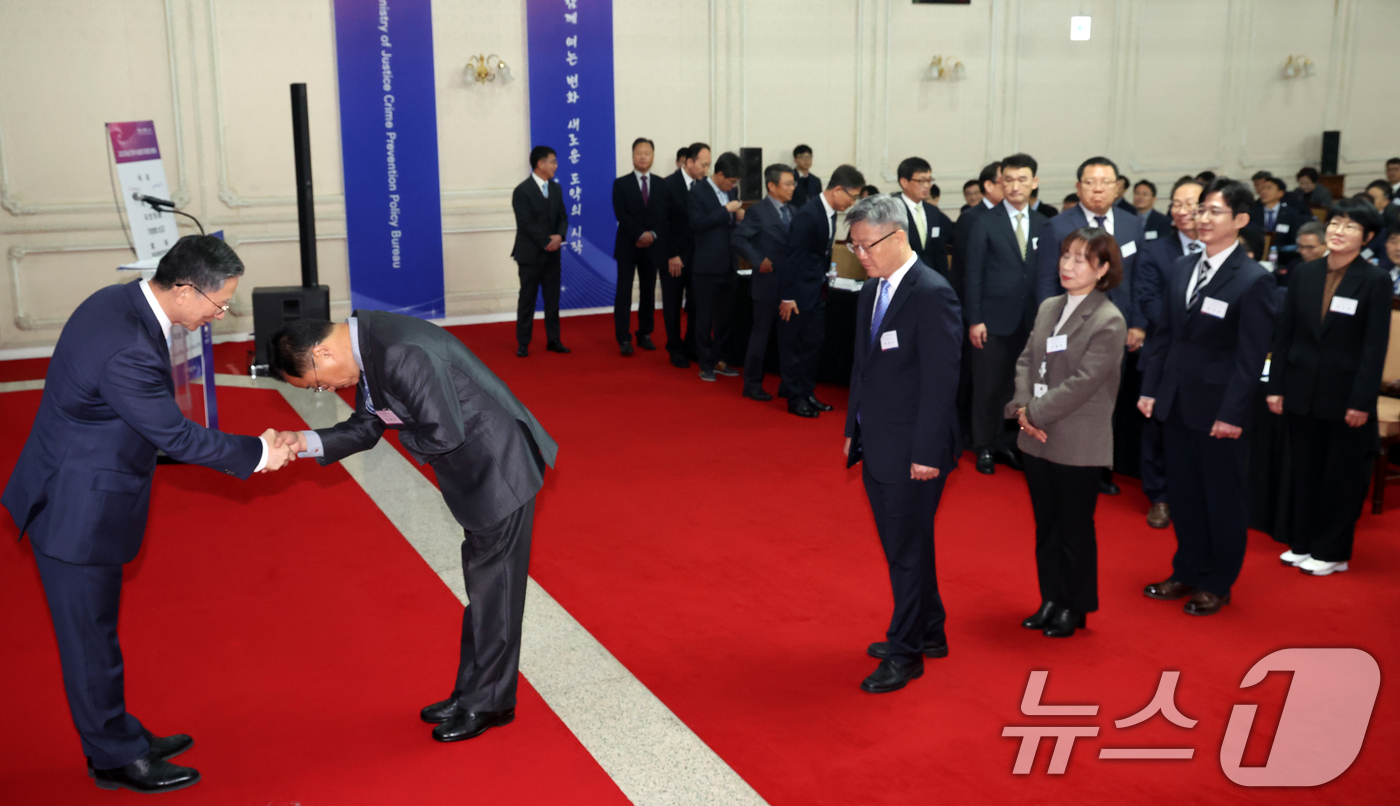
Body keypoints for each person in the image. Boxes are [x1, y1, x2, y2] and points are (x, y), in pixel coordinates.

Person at [1, 235, 294, 794]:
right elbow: (175, 436)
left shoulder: (120, 302)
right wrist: (259, 452)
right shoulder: (127, 345)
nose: (219, 315)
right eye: (219, 304)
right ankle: (115, 758)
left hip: (72, 485)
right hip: (74, 511)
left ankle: (116, 733)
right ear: (185, 289)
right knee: (90, 643)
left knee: (97, 635)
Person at [268, 312, 557, 744]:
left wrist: (392, 423)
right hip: (479, 469)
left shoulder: (397, 352)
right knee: (486, 588)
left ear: (322, 352)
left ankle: (491, 703)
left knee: (495, 589)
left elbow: (444, 433)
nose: (326, 390)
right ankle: (471, 693)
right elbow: (366, 426)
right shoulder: (369, 344)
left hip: (499, 468)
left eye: (317, 383)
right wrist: (304, 442)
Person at [1138, 177, 1278, 617]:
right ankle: (1187, 569)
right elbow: (1165, 336)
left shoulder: (1253, 280)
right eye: (1201, 210)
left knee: (1222, 498)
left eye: (1214, 212)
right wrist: (1151, 390)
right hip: (1177, 401)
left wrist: (1233, 412)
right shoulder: (1184, 267)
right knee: (1184, 494)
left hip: (1221, 409)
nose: (1202, 219)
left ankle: (1217, 582)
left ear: (1239, 220)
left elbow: (1251, 356)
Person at [841, 195, 962, 693]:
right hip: (880, 440)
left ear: (897, 237)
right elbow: (861, 367)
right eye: (853, 246)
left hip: (915, 450)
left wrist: (926, 454)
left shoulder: (932, 293)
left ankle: (906, 651)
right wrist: (853, 428)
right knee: (906, 544)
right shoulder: (874, 289)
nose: (860, 255)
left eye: (866, 245)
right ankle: (930, 630)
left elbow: (942, 381)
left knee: (906, 552)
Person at [1007, 228, 1127, 638]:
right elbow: (1026, 359)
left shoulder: (1108, 320)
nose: (1068, 265)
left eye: (1081, 259)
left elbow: (1084, 382)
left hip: (1077, 439)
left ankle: (1076, 607)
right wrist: (1023, 408)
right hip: (1036, 434)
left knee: (1075, 528)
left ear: (1103, 269)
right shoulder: (1048, 307)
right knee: (1047, 525)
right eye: (1066, 256)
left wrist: (1034, 412)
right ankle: (1051, 598)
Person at [1267, 197, 1392, 576]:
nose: (1339, 231)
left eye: (1350, 227)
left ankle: (1333, 550)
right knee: (1304, 470)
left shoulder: (1374, 281)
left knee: (1339, 476)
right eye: (1335, 223)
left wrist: (1362, 401)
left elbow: (1375, 348)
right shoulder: (1304, 273)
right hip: (1301, 389)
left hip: (1345, 395)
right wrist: (1277, 386)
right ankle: (1303, 542)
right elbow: (1284, 335)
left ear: (1367, 237)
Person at [1036, 157, 1147, 495]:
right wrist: (1051, 330)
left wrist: (1138, 324)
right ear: (1078, 186)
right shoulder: (1057, 226)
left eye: (1105, 182)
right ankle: (1059, 457)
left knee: (1106, 397)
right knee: (1069, 394)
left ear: (1117, 187)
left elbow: (1140, 281)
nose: (1098, 188)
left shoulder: (1132, 225)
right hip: (1071, 330)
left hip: (1117, 329)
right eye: (1090, 182)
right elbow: (1045, 284)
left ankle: (1099, 467)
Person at [964, 153, 1046, 475]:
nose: (1014, 186)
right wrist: (975, 319)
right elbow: (973, 274)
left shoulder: (1044, 224)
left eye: (1021, 179)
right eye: (1008, 180)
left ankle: (1007, 443)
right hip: (992, 321)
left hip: (1031, 321)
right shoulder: (984, 221)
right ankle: (983, 445)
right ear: (1000, 183)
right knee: (988, 386)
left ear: (1034, 183)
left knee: (1019, 387)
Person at [1133, 177, 1205, 529]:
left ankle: (1192, 494)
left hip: (1207, 360)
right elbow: (1148, 301)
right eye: (1176, 204)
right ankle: (1159, 496)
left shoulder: (1220, 252)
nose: (1181, 211)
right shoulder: (1156, 251)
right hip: (1164, 351)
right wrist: (1189, 325)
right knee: (1157, 430)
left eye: (1190, 204)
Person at [777, 164, 865, 418]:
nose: (853, 202)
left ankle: (807, 392)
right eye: (852, 196)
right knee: (796, 346)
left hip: (816, 290)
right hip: (797, 294)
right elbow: (791, 258)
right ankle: (795, 397)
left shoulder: (830, 213)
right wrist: (787, 296)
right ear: (838, 190)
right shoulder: (808, 214)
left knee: (814, 342)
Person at [733, 164, 796, 401]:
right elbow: (739, 239)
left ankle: (787, 384)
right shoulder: (758, 211)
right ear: (772, 185)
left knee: (787, 337)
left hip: (789, 284)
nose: (792, 188)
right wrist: (759, 260)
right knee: (760, 335)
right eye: (788, 183)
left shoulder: (793, 210)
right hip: (767, 283)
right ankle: (752, 384)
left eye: (793, 183)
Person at [690, 151, 746, 382]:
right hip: (706, 265)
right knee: (704, 317)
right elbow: (697, 224)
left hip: (729, 263)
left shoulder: (731, 192)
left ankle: (719, 357)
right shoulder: (698, 191)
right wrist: (726, 211)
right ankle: (705, 363)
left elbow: (729, 224)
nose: (733, 186)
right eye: (731, 181)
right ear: (720, 174)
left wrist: (738, 216)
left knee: (726, 316)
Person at [511, 145, 569, 357]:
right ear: (540, 163)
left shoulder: (556, 189)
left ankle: (554, 340)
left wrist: (560, 237)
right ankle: (523, 342)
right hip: (530, 254)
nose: (556, 165)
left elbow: (563, 217)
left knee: (552, 299)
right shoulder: (522, 191)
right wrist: (546, 241)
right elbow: (525, 224)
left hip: (553, 255)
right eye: (552, 161)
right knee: (527, 299)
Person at [612, 138, 666, 355]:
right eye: (639, 153)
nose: (643, 156)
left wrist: (651, 235)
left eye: (647, 153)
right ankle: (623, 338)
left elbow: (664, 214)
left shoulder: (662, 184)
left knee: (648, 291)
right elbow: (621, 214)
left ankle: (645, 333)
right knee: (624, 292)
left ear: (653, 156)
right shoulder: (620, 183)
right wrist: (639, 234)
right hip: (627, 245)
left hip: (652, 246)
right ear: (632, 155)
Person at [661, 143, 707, 367]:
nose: (706, 169)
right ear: (689, 162)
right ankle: (674, 346)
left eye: (709, 164)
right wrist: (672, 254)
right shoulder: (668, 184)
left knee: (696, 303)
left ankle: (691, 345)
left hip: (699, 256)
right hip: (674, 257)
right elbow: (662, 223)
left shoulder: (705, 186)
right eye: (703, 164)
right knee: (672, 303)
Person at [894, 157, 951, 280]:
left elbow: (939, 252)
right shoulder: (892, 210)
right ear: (904, 182)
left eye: (929, 181)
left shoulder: (933, 212)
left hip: (929, 280)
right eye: (921, 181)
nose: (927, 186)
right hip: (901, 278)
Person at [1247, 176, 1312, 281]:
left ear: (1280, 193)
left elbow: (1295, 241)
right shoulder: (1253, 213)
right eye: (1262, 188)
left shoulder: (1291, 214)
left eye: (1268, 188)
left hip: (1283, 261)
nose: (1263, 191)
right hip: (1256, 261)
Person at [790, 144, 823, 209]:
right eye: (802, 157)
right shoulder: (790, 178)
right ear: (795, 160)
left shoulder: (816, 180)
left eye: (809, 157)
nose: (806, 160)